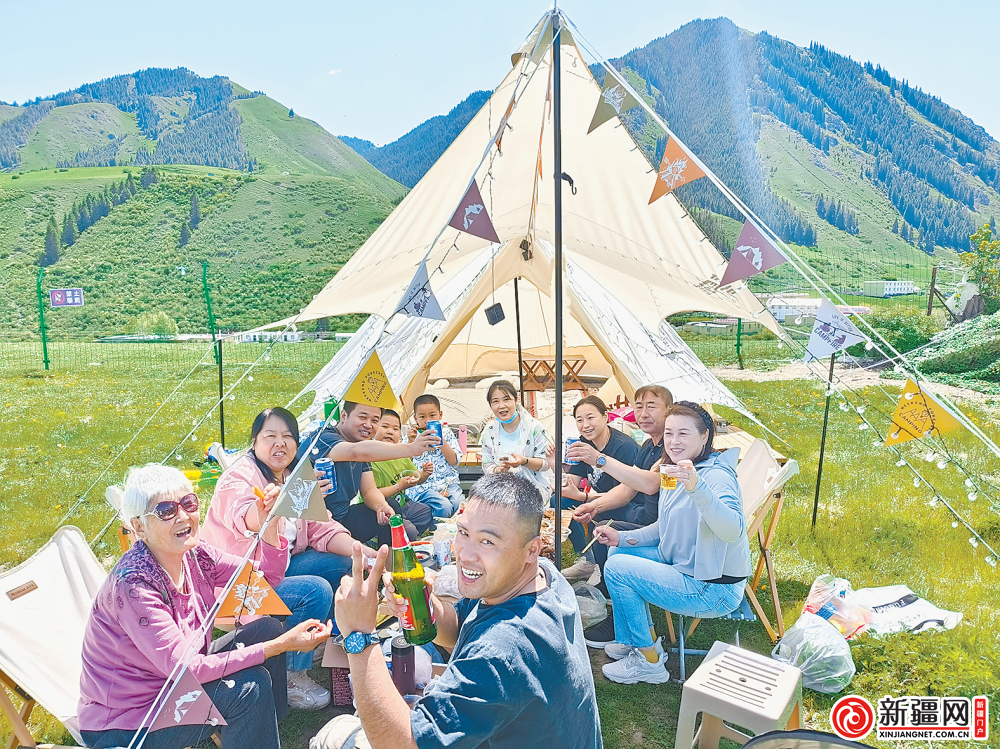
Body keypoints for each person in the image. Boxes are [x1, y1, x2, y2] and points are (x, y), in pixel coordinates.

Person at [312, 473, 603, 749]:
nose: (465, 554)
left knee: (336, 733)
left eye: (488, 541)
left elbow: (402, 743)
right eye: (463, 533)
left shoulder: (501, 650)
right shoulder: (543, 575)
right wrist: (428, 604)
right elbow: (457, 629)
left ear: (532, 549)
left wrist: (359, 636)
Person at [78, 463, 332, 749]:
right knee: (249, 687)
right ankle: (254, 729)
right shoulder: (135, 586)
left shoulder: (195, 554)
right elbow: (188, 670)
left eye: (188, 503)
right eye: (166, 510)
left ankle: (265, 730)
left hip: (171, 686)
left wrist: (270, 525)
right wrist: (282, 645)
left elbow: (264, 580)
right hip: (132, 721)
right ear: (139, 527)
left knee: (268, 629)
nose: (184, 516)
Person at [201, 407, 366, 709]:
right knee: (316, 589)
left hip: (275, 571)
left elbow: (321, 527)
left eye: (288, 436)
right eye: (270, 436)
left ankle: (313, 644)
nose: (280, 443)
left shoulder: (293, 477)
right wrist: (267, 511)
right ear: (254, 442)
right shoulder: (237, 478)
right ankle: (290, 671)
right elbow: (243, 513)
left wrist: (362, 552)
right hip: (236, 588)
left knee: (342, 564)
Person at [591, 401, 751, 685]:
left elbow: (732, 530)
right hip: (684, 565)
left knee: (618, 569)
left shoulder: (715, 476)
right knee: (617, 550)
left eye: (683, 434)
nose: (674, 442)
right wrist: (623, 537)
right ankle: (634, 641)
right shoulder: (671, 469)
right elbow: (664, 527)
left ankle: (649, 661)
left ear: (705, 436)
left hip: (712, 587)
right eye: (669, 433)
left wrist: (696, 486)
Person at [566, 385, 673, 647]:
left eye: (651, 406)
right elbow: (626, 490)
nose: (644, 413)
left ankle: (619, 616)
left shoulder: (671, 446)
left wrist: (599, 460)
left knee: (605, 532)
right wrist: (594, 506)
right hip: (646, 518)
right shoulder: (649, 445)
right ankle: (611, 595)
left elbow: (650, 484)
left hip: (662, 531)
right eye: (639, 406)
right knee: (600, 524)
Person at [302, 401, 436, 547]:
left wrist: (381, 506)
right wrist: (411, 449)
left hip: (343, 518)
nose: (368, 424)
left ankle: (389, 564)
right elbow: (354, 452)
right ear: (343, 416)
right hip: (313, 525)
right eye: (362, 417)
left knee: (390, 507)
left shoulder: (361, 445)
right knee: (343, 563)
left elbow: (369, 490)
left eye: (375, 420)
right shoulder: (324, 438)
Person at [558, 396, 640, 585]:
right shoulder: (583, 442)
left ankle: (605, 579)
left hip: (629, 503)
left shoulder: (623, 447)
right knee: (559, 501)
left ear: (605, 417)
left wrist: (584, 497)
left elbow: (625, 493)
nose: (585, 425)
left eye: (591, 418)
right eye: (579, 420)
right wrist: (558, 470)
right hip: (601, 498)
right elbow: (573, 481)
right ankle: (587, 560)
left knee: (599, 520)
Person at [479, 380, 551, 499]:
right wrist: (499, 469)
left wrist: (524, 461)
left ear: (517, 400)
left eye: (506, 399)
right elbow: (487, 466)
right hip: (500, 488)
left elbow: (545, 463)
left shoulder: (534, 428)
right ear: (491, 406)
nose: (502, 405)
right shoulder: (489, 433)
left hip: (531, 487)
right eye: (495, 401)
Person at [403, 394, 465, 518]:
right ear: (416, 419)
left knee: (459, 504)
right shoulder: (412, 437)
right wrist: (411, 443)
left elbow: (454, 462)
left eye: (432, 415)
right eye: (422, 417)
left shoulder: (446, 433)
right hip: (422, 488)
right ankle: (435, 532)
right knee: (444, 506)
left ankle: (456, 533)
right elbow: (404, 466)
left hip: (448, 483)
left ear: (440, 415)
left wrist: (441, 440)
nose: (428, 421)